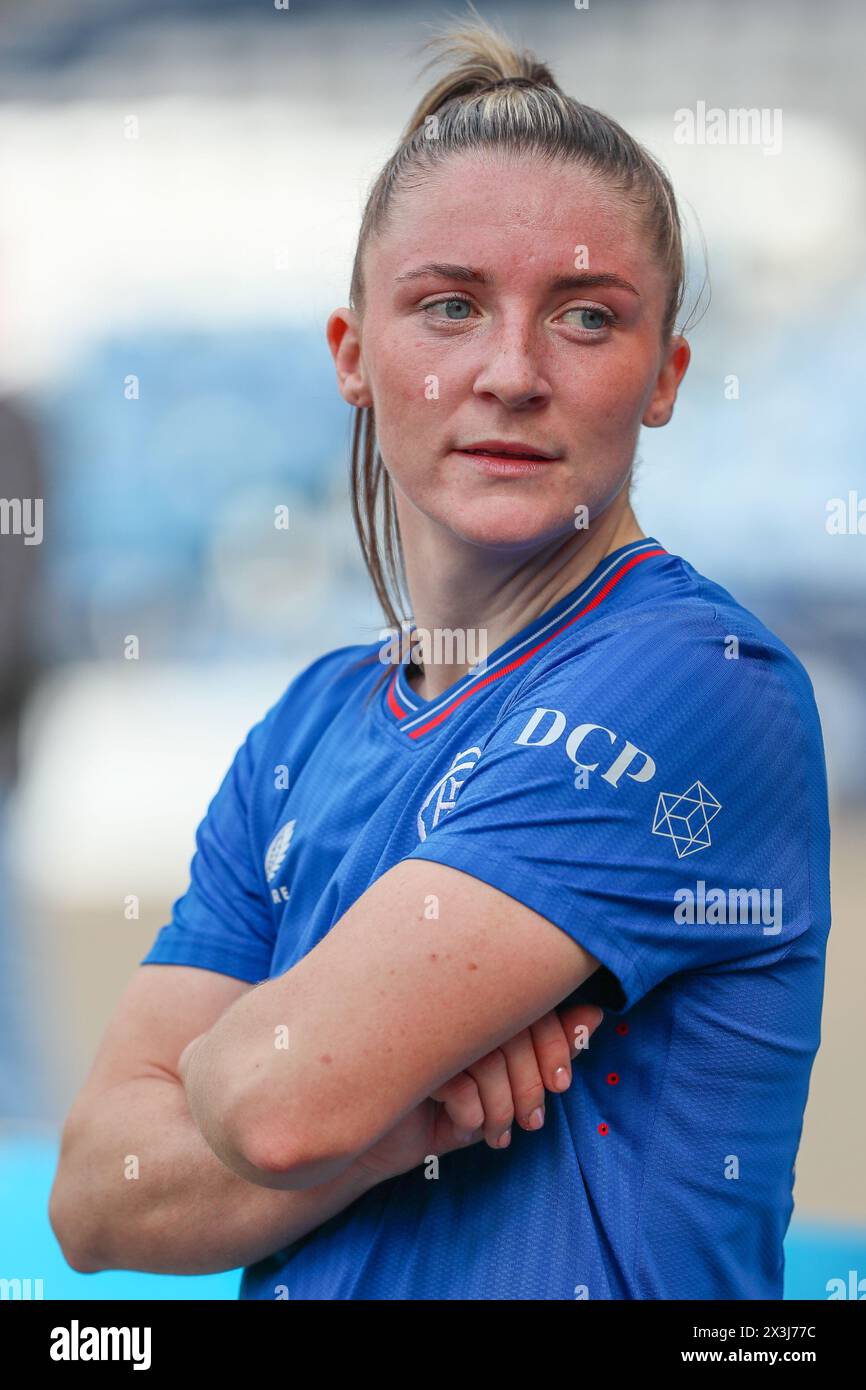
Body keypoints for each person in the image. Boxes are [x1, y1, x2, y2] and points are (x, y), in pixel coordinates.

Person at [49, 10, 831, 1300]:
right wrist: (411, 1117)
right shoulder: (307, 726)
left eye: (586, 317)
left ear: (666, 374)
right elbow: (96, 1198)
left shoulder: (703, 682)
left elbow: (281, 1102)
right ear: (354, 354)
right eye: (449, 306)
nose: (511, 372)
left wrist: (293, 1084)